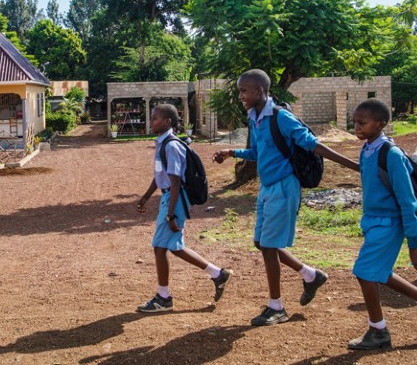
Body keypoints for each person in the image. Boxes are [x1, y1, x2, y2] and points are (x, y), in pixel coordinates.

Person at [212, 69, 360, 326]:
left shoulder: (281, 117)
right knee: (261, 243)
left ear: (259, 90)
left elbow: (313, 144)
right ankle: (310, 275)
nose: (240, 96)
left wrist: (355, 166)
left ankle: (276, 307)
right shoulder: (255, 118)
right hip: (267, 188)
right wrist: (231, 152)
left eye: (244, 91)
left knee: (268, 246)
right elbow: (258, 152)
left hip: (284, 186)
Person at [347, 98, 417, 350]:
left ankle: (378, 330)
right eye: (355, 123)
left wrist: (413, 245)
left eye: (362, 123)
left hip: (389, 223)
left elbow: (408, 202)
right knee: (380, 273)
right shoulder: (368, 148)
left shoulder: (390, 154)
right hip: (374, 223)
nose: (357, 128)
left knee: (363, 272)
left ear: (381, 124)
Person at [136, 103, 232, 313]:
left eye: (155, 118)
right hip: (170, 196)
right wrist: (146, 196)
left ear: (167, 122)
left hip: (175, 198)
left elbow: (176, 181)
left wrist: (171, 214)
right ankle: (218, 274)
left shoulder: (172, 146)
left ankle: (163, 297)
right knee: (174, 247)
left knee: (160, 248)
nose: (151, 121)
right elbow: (160, 175)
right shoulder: (162, 144)